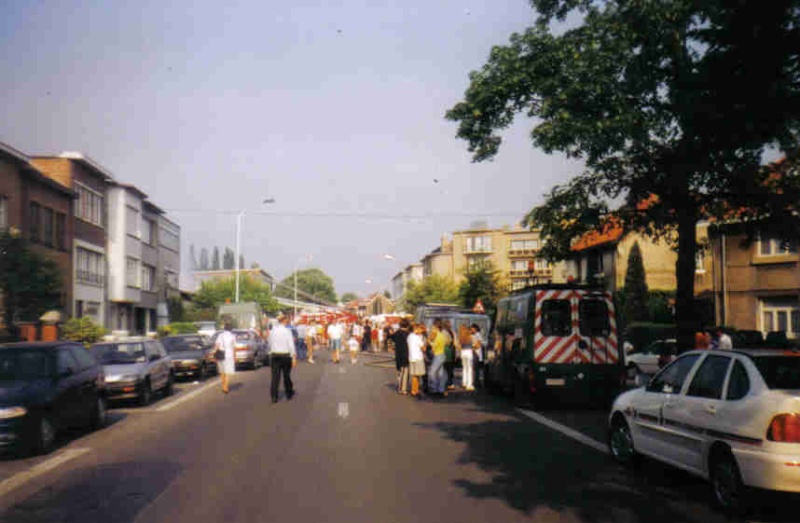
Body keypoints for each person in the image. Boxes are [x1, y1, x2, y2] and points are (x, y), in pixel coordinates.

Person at [269, 316, 297, 403]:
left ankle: (274, 396)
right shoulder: (287, 331)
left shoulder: (272, 331)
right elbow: (291, 344)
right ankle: (289, 393)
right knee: (286, 375)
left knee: (275, 377)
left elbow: (269, 343)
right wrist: (293, 356)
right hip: (285, 355)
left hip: (274, 355)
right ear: (284, 321)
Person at [428, 318, 451, 396]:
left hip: (438, 355)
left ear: (436, 327)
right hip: (441, 355)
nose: (432, 329)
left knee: (432, 372)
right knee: (441, 373)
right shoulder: (442, 335)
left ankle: (434, 388)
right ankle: (441, 389)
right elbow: (447, 343)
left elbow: (434, 347)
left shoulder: (438, 336)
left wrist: (430, 342)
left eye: (433, 327)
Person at [214, 320, 236, 394]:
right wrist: (235, 357)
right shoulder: (233, 336)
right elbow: (234, 348)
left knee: (222, 371)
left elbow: (217, 345)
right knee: (227, 372)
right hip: (229, 355)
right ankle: (226, 387)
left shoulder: (220, 335)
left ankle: (223, 385)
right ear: (231, 329)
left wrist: (214, 354)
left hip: (221, 354)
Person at [407, 323, 427, 399]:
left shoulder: (409, 336)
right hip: (418, 357)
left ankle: (415, 389)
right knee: (417, 375)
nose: (420, 330)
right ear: (415, 329)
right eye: (419, 329)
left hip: (411, 357)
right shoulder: (417, 337)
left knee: (415, 375)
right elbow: (423, 348)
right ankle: (414, 390)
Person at [392, 319, 410, 394]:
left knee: (400, 372)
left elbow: (392, 337)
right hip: (405, 355)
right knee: (404, 373)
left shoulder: (397, 333)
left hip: (398, 354)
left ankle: (402, 387)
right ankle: (402, 389)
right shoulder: (407, 334)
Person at [458, 324, 474, 390]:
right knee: (469, 369)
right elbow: (473, 344)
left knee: (464, 368)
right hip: (469, 352)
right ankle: (469, 385)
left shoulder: (461, 337)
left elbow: (459, 345)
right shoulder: (470, 337)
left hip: (463, 352)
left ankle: (464, 382)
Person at [443, 320, 457, 390]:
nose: (450, 325)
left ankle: (450, 382)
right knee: (446, 368)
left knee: (450, 369)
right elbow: (446, 342)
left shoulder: (452, 332)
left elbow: (455, 341)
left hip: (452, 352)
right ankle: (447, 383)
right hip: (446, 352)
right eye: (449, 324)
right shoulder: (444, 332)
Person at [470, 324, 485, 389]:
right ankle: (476, 382)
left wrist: (472, 347)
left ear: (475, 329)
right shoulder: (473, 335)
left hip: (477, 353)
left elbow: (479, 344)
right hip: (475, 353)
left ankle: (476, 383)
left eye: (472, 328)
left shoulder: (478, 335)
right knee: (475, 369)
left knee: (475, 369)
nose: (471, 330)